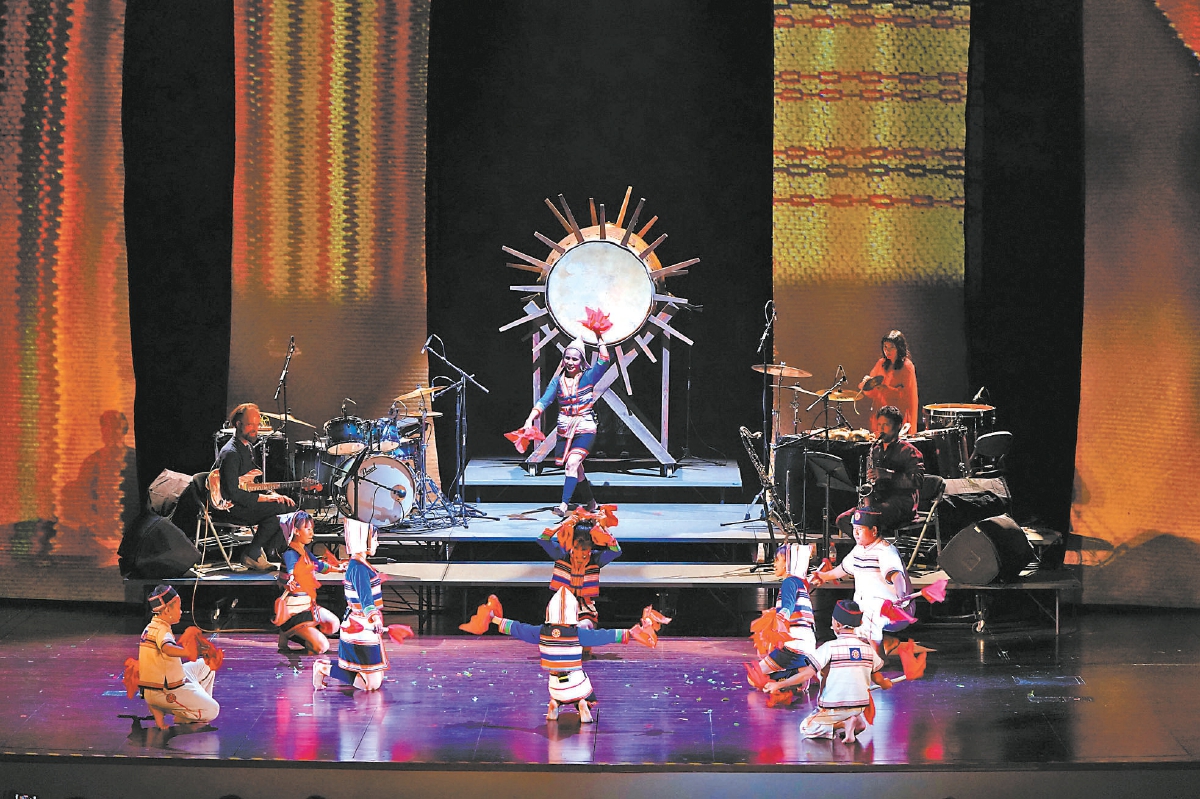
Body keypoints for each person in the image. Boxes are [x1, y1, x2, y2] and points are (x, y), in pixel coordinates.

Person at [462, 587, 664, 723]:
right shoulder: (578, 633)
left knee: (557, 684)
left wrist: (494, 618)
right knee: (583, 685)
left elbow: (517, 628)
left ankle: (555, 705)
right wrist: (631, 633)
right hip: (575, 683)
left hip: (555, 685)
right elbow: (603, 635)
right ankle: (582, 704)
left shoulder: (540, 631)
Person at [765, 599, 891, 743]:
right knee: (848, 710)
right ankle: (856, 723)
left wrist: (779, 684)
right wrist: (885, 683)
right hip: (858, 707)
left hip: (835, 707)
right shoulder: (868, 650)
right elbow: (878, 678)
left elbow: (807, 674)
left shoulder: (829, 648)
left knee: (806, 727)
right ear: (860, 623)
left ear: (837, 624)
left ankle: (843, 724)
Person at [523, 335, 611, 517]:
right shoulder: (557, 382)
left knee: (572, 463)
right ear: (563, 360)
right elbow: (544, 401)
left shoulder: (588, 377)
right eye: (567, 358)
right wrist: (529, 420)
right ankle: (591, 502)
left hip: (585, 427)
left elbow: (604, 360)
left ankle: (563, 505)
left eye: (575, 359)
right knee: (577, 468)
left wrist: (599, 337)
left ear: (582, 362)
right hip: (565, 429)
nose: (570, 362)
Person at [814, 506, 913, 648]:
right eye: (854, 529)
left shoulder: (885, 551)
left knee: (867, 618)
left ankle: (880, 654)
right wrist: (824, 576)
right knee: (841, 614)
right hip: (868, 607)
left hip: (893, 610)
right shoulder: (859, 549)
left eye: (860, 529)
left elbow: (897, 577)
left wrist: (901, 595)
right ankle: (879, 644)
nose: (855, 533)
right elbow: (843, 568)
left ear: (874, 530)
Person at [213, 402, 296, 571]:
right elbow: (233, 494)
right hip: (231, 507)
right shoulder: (231, 453)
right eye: (250, 424)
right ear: (238, 424)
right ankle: (254, 552)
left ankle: (267, 551)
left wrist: (273, 494)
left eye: (257, 425)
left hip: (243, 500)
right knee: (278, 509)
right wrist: (267, 498)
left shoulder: (247, 447)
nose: (255, 429)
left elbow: (252, 483)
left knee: (287, 506)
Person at [312, 520, 390, 691]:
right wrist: (374, 617)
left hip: (362, 623)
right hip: (360, 625)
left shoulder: (359, 564)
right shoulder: (359, 568)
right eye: (374, 539)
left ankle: (326, 667)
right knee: (370, 685)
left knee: (375, 679)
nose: (377, 543)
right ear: (364, 540)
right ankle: (323, 668)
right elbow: (365, 598)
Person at [134, 585, 220, 729]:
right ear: (167, 610)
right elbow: (167, 648)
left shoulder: (153, 626)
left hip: (168, 680)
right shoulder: (161, 630)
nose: (181, 611)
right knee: (213, 710)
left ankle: (192, 702)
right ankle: (183, 712)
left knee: (207, 665)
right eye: (178, 608)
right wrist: (190, 652)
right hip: (164, 690)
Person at [743, 543, 819, 707]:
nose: (774, 564)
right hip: (806, 645)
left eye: (777, 560)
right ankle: (800, 674)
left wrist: (781, 617)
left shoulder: (789, 582)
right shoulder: (800, 584)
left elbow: (788, 606)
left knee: (754, 678)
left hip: (794, 647)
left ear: (788, 563)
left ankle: (798, 675)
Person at [836, 405, 923, 538]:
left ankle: (875, 545)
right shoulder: (875, 450)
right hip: (879, 501)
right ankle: (869, 545)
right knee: (843, 520)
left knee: (868, 518)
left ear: (898, 426)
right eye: (879, 425)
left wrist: (888, 475)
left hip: (901, 504)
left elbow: (917, 481)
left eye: (886, 425)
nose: (881, 429)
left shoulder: (909, 451)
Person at [538, 507, 622, 630]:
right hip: (561, 607)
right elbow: (542, 539)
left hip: (585, 610)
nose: (580, 553)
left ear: (591, 547)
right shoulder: (561, 554)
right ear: (571, 543)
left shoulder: (596, 559)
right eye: (576, 547)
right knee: (562, 630)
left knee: (582, 628)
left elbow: (616, 551)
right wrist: (564, 523)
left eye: (585, 549)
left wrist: (602, 529)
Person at [274, 511, 342, 654]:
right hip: (294, 613)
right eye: (308, 529)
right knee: (321, 647)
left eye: (312, 529)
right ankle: (290, 632)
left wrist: (338, 569)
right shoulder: (290, 553)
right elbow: (292, 569)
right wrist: (291, 579)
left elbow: (318, 565)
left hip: (307, 607)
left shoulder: (304, 551)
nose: (312, 533)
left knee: (334, 624)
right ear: (296, 531)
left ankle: (305, 633)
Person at [859, 330, 918, 435]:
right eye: (885, 347)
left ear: (899, 348)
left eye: (891, 347)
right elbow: (871, 392)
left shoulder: (907, 367)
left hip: (897, 415)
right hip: (881, 413)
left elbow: (906, 395)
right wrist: (867, 384)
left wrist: (886, 389)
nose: (887, 351)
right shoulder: (881, 363)